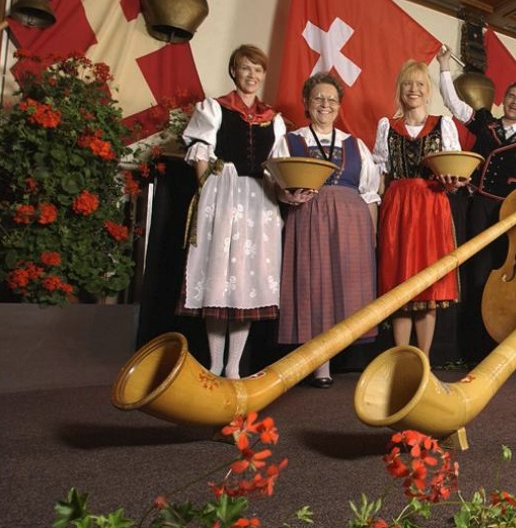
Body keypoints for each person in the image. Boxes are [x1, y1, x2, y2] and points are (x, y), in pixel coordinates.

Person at [435, 45, 516, 361]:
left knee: (508, 279)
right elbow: (453, 103)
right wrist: (445, 67)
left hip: (513, 214)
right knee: (479, 275)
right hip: (481, 207)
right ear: (504, 101)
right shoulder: (485, 123)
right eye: (512, 98)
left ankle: (509, 346)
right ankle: (475, 348)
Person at [178, 44, 285, 378]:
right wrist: (208, 191)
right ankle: (213, 363)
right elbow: (200, 154)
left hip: (260, 200)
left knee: (248, 281)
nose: (251, 75)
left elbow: (279, 164)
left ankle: (234, 367)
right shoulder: (215, 108)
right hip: (225, 195)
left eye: (257, 69)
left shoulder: (274, 119)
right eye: (245, 68)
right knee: (220, 278)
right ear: (234, 71)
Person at [269, 73, 380, 388]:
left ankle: (332, 357)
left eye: (332, 99)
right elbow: (275, 184)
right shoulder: (290, 140)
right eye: (319, 98)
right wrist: (286, 196)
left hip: (351, 222)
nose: (325, 104)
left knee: (342, 288)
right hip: (307, 216)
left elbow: (369, 193)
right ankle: (319, 366)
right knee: (312, 285)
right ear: (307, 102)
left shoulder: (354, 144)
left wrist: (371, 238)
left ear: (339, 105)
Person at [374, 60, 468, 357]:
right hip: (397, 206)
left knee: (428, 286)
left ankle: (423, 360)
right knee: (400, 283)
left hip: (431, 205)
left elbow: (454, 172)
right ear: (399, 91)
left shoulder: (443, 125)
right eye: (407, 84)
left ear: (428, 92)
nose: (413, 90)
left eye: (419, 85)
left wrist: (453, 182)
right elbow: (379, 174)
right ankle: (401, 358)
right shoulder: (387, 127)